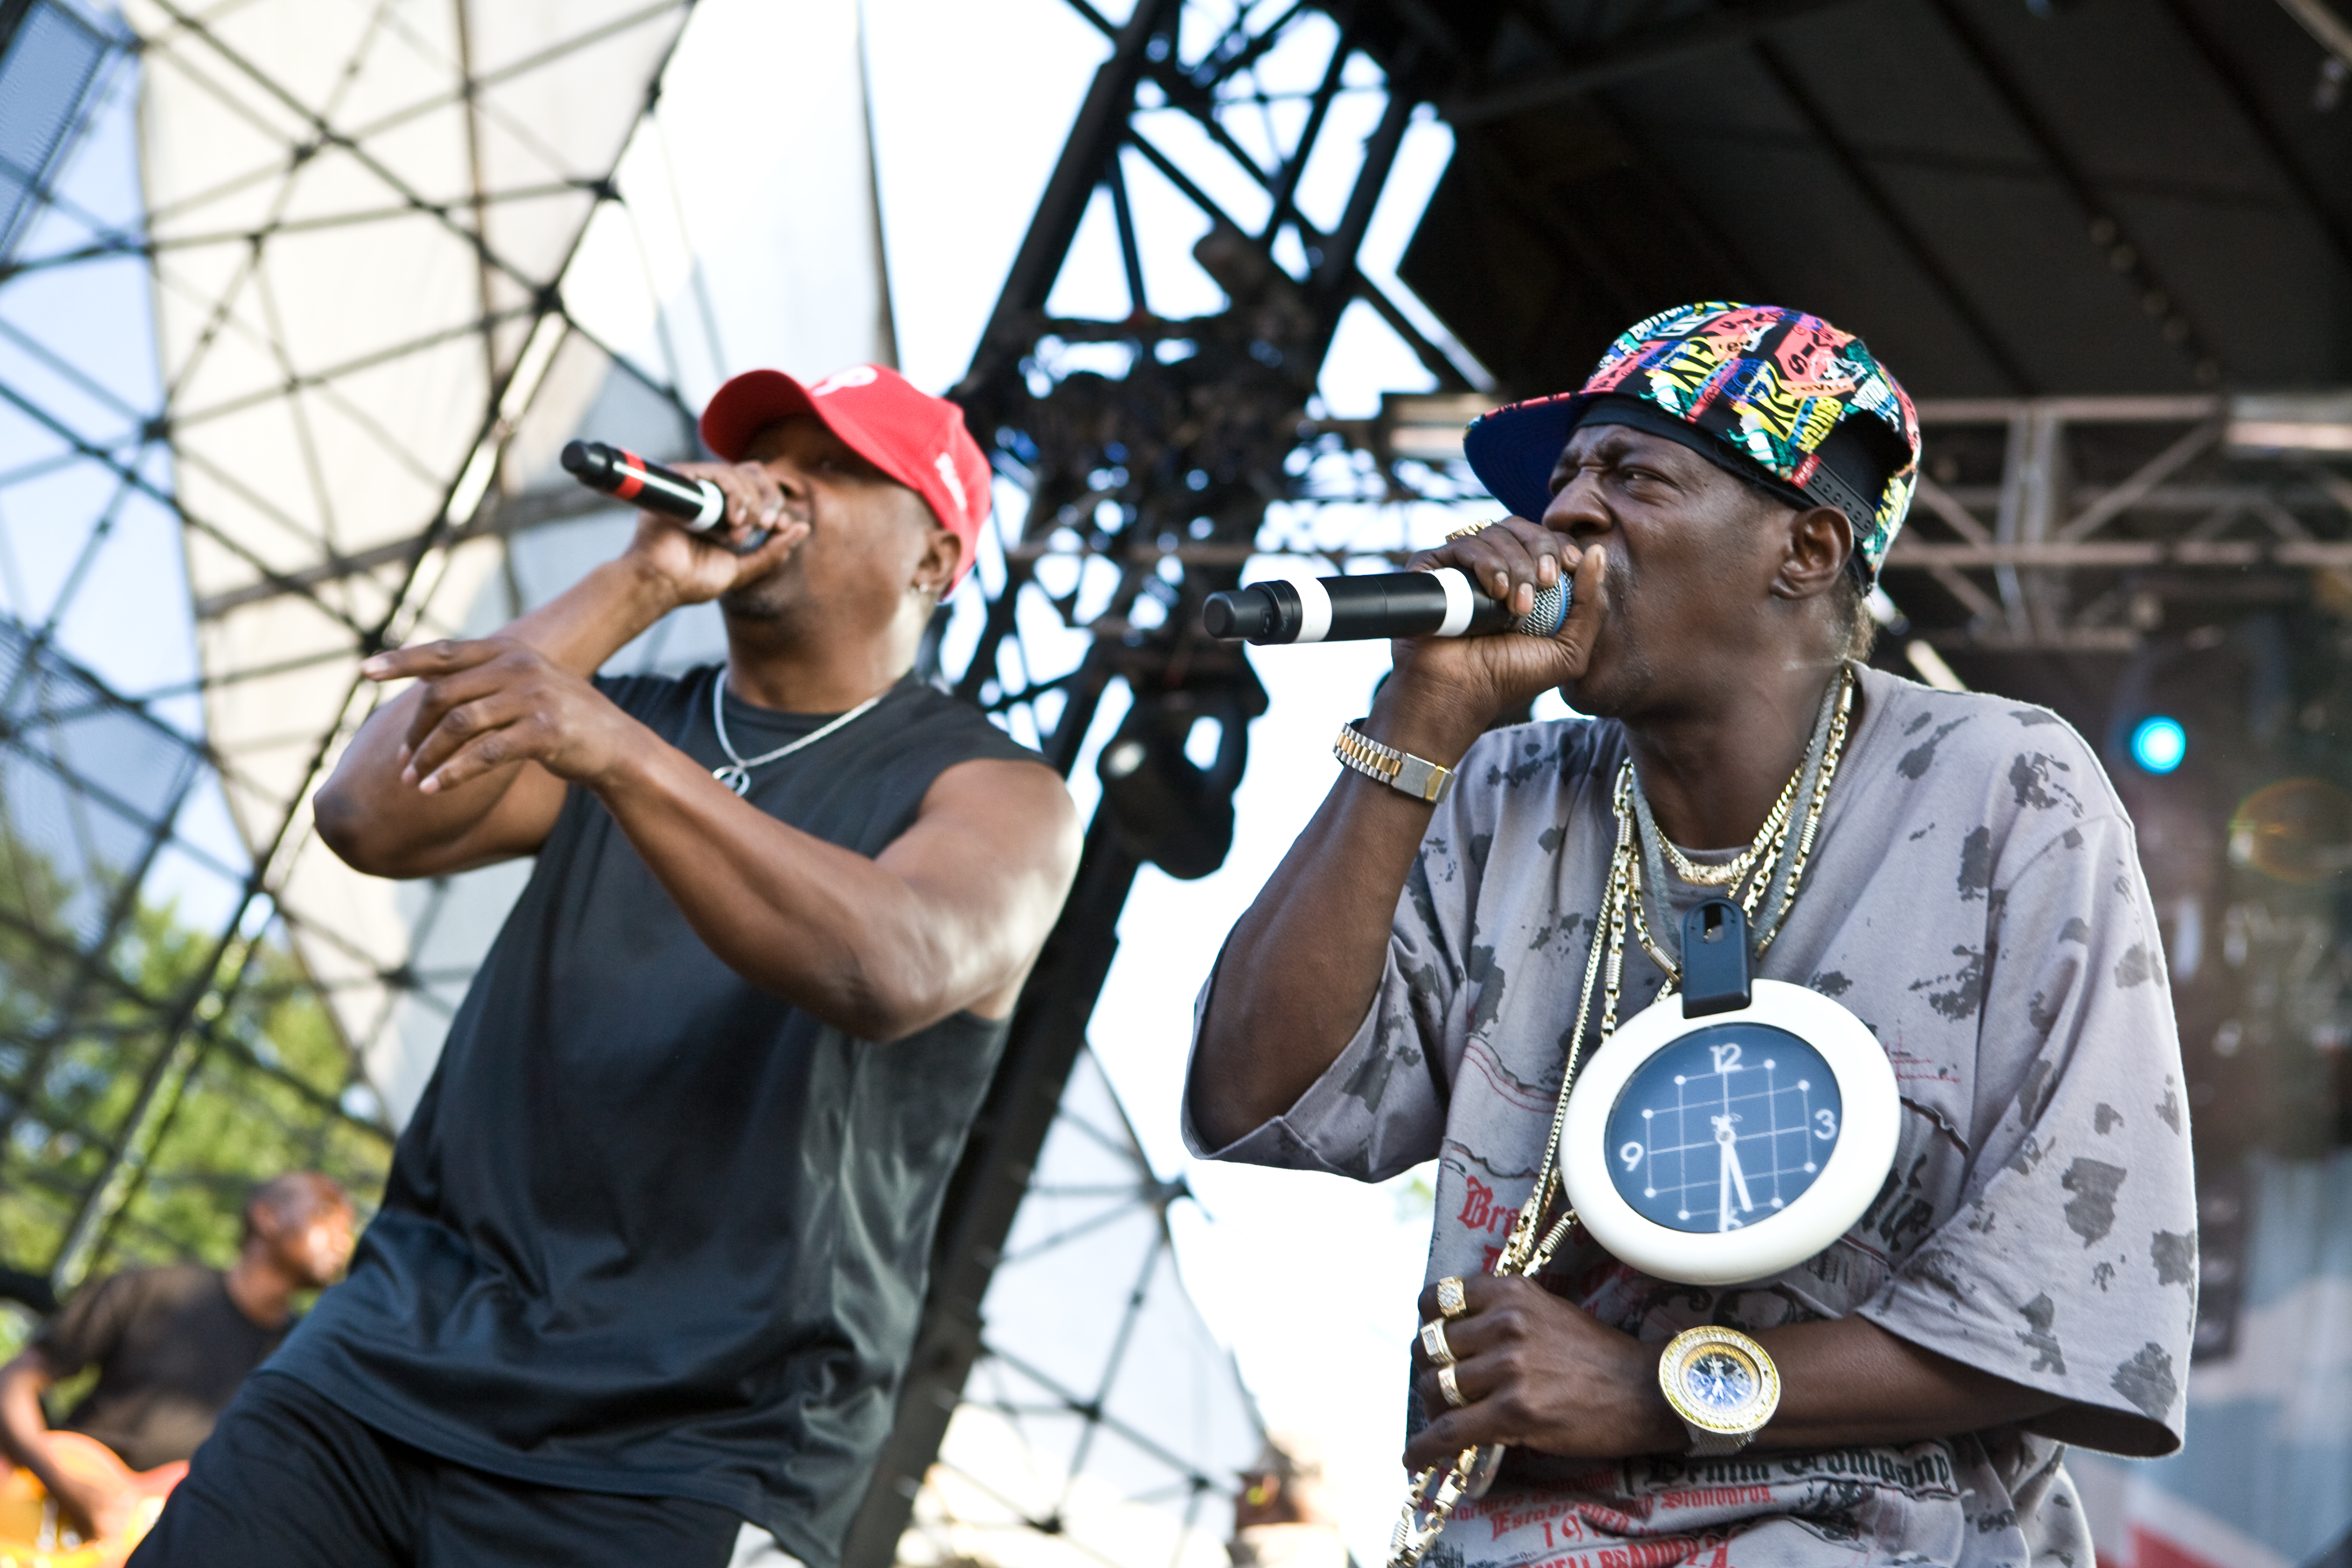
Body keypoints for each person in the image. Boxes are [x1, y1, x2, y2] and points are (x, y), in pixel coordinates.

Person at [1188, 303, 2196, 1567]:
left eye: (1633, 474)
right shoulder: (1506, 792)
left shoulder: (2003, 790)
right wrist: (1419, 719)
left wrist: (1660, 1386)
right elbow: (1255, 1101)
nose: (1568, 516)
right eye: (1561, 481)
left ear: (1807, 548)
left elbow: (2073, 1310)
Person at [131, 364, 1081, 1568]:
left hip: (687, 1443)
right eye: (768, 452)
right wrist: (637, 582)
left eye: (838, 467)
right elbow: (369, 815)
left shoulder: (996, 790)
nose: (780, 481)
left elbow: (890, 965)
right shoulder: (629, 713)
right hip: (384, 1360)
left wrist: (616, 753)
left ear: (936, 560)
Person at [0, 1173, 354, 1540]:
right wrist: (65, 1488)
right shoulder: (156, 1290)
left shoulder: (305, 1365)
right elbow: (14, 1383)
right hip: (47, 1529)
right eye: (325, 1215)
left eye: (350, 1230)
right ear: (268, 1217)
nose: (344, 1240)